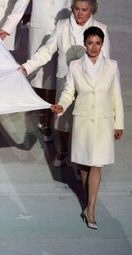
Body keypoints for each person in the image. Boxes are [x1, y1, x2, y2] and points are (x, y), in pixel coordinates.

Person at [0, 0, 76, 141]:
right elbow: (21, 4)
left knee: (55, 78)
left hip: (60, 32)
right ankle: (42, 116)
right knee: (39, 77)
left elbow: (72, 5)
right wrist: (6, 28)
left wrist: (75, 30)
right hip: (39, 32)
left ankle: (50, 119)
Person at [20, 0, 110, 167]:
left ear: (92, 9)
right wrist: (27, 67)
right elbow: (46, 51)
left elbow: (106, 62)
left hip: (88, 85)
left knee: (85, 124)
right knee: (62, 123)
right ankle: (63, 151)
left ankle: (81, 162)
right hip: (64, 81)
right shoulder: (62, 26)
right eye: (76, 9)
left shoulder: (101, 29)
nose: (79, 13)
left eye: (84, 9)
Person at [51, 26, 123, 229]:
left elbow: (115, 95)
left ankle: (90, 208)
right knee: (84, 165)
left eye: (98, 43)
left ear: (102, 44)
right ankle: (88, 201)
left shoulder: (112, 66)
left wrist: (118, 124)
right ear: (85, 44)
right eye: (90, 43)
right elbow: (68, 92)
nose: (94, 47)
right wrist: (61, 105)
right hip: (82, 121)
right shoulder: (75, 66)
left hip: (103, 121)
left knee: (96, 165)